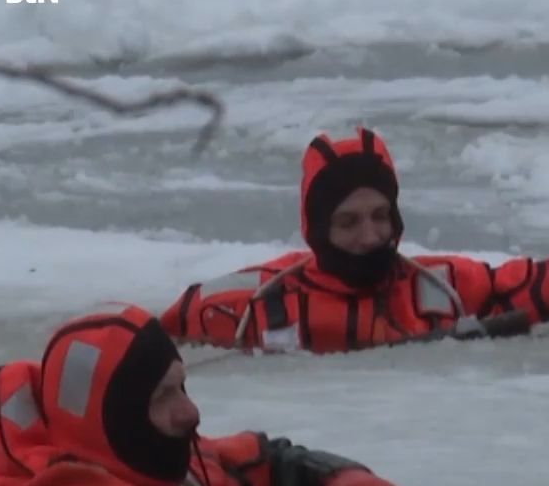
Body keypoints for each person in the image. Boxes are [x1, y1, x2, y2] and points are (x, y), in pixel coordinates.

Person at [0, 304, 417, 486]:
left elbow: (251, 464)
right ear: (112, 421)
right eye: (163, 396)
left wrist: (333, 483)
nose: (191, 412)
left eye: (182, 387)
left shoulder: (149, 464)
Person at [160, 127, 549, 354]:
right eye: (348, 222)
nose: (370, 237)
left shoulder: (444, 285)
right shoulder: (248, 304)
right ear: (316, 228)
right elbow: (138, 348)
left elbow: (527, 286)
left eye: (381, 216)